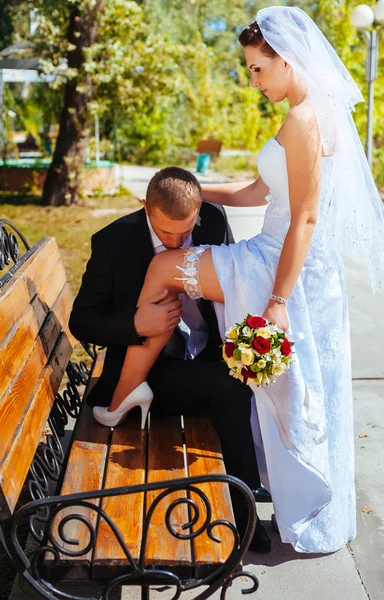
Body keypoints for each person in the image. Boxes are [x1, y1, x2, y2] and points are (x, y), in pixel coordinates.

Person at [95, 7, 384, 554]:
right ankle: (134, 391)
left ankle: (123, 390)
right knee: (295, 385)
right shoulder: (307, 113)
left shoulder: (305, 120)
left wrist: (279, 300)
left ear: (286, 58)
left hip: (281, 265)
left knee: (164, 267)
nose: (254, 81)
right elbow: (258, 194)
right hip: (285, 257)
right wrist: (193, 189)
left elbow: (304, 217)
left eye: (258, 69)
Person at [69, 166, 271, 553]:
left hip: (206, 352)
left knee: (242, 375)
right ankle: (245, 515)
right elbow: (82, 322)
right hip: (150, 371)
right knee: (228, 386)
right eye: (166, 233)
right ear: (145, 207)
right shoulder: (114, 241)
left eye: (186, 230)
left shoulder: (212, 219)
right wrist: (135, 323)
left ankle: (251, 488)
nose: (179, 241)